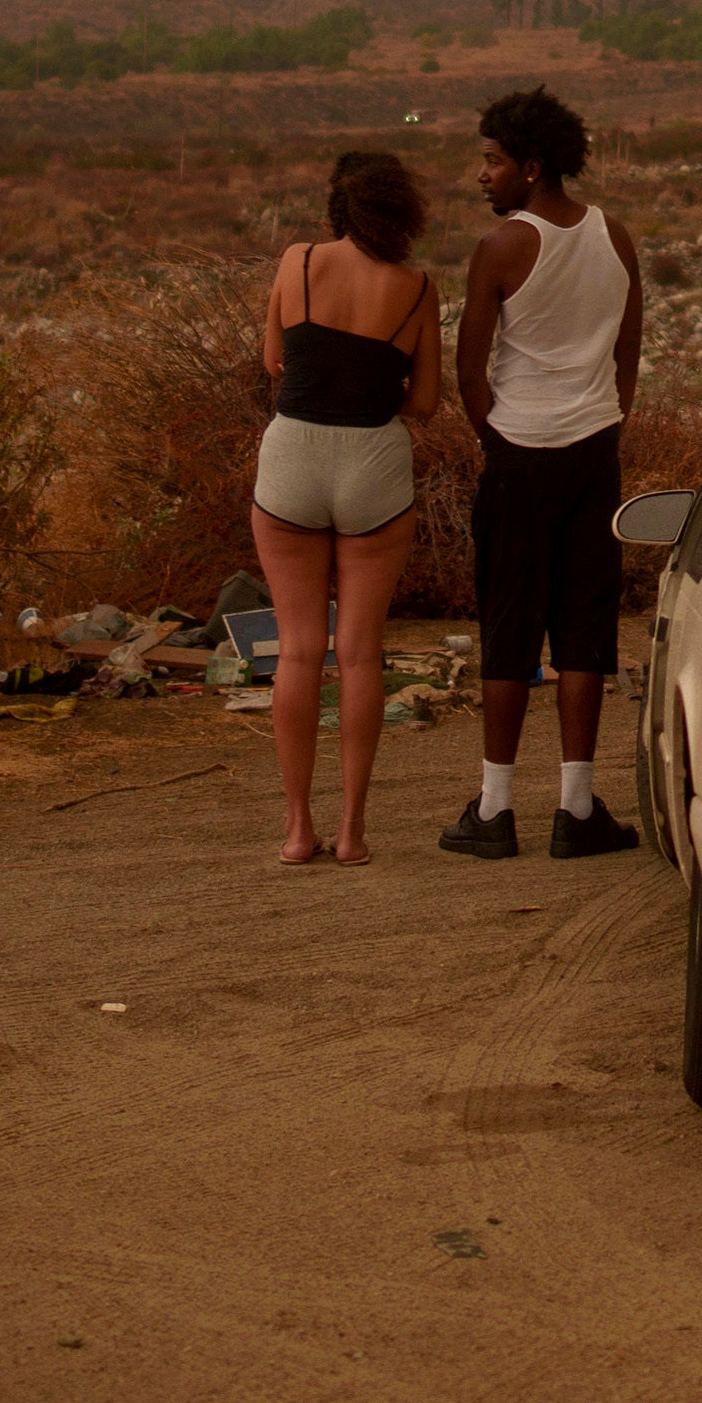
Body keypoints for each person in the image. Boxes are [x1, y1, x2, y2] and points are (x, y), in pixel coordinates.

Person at [439, 84, 647, 861]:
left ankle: (494, 811)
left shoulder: (502, 248)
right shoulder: (615, 237)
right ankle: (577, 806)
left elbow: (470, 373)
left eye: (492, 161)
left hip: (519, 454)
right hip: (595, 451)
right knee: (584, 631)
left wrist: (503, 435)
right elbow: (628, 352)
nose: (481, 175)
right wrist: (601, 417)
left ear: (530, 166)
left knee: (510, 626)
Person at [251, 148, 441, 866]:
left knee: (299, 651)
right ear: (401, 212)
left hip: (293, 455)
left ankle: (298, 830)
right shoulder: (417, 288)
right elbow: (424, 402)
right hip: (372, 463)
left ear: (337, 206)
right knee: (360, 654)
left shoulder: (297, 262)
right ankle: (353, 831)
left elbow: (275, 362)